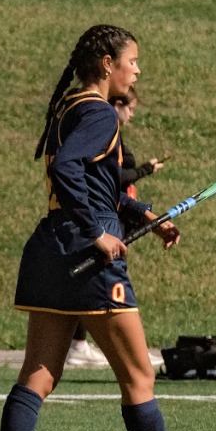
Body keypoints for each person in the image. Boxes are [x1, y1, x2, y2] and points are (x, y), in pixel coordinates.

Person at [0, 25, 216, 431]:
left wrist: (144, 214)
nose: (137, 70)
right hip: (86, 253)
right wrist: (97, 232)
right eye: (132, 61)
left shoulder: (73, 108)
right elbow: (70, 171)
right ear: (107, 63)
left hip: (51, 250)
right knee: (139, 375)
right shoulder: (99, 113)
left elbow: (96, 182)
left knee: (39, 373)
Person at [65, 87, 161, 370]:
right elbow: (98, 179)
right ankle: (127, 353)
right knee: (106, 283)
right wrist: (96, 231)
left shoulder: (105, 127)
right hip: (100, 223)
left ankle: (86, 346)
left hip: (110, 217)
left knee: (38, 379)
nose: (131, 114)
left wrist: (144, 213)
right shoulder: (100, 123)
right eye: (129, 108)